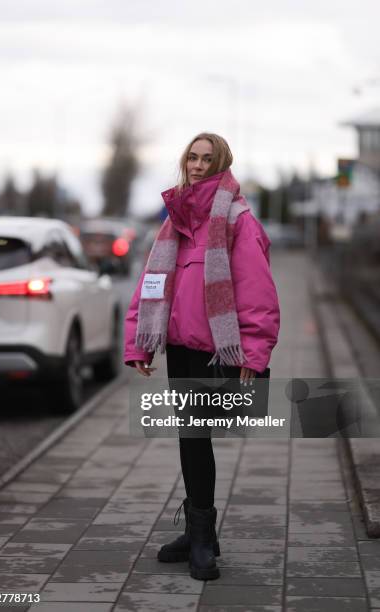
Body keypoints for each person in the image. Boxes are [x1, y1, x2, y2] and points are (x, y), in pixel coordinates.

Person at [124, 132, 280, 581]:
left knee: (196, 437)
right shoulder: (175, 222)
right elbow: (150, 285)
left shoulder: (237, 220)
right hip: (178, 347)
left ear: (221, 163)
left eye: (206, 159)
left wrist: (253, 352)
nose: (196, 165)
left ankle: (202, 539)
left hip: (215, 351)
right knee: (190, 437)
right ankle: (201, 534)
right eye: (191, 157)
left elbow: (257, 294)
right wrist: (139, 341)